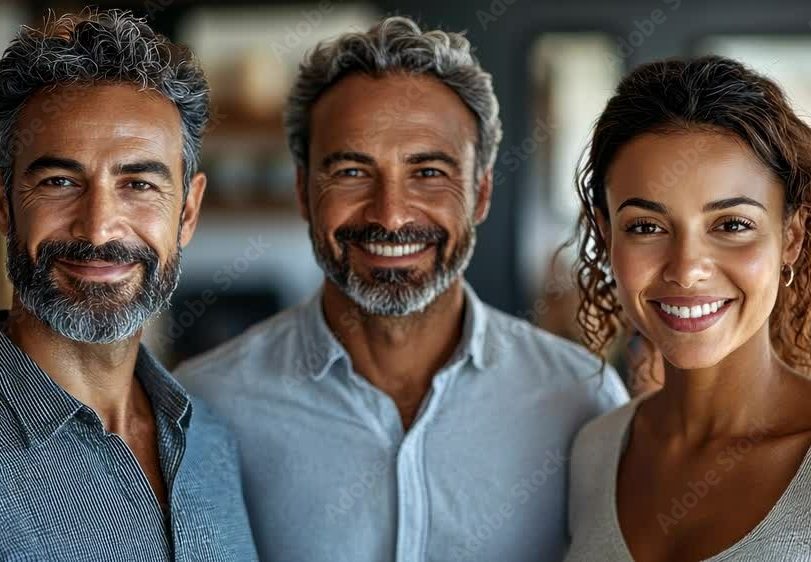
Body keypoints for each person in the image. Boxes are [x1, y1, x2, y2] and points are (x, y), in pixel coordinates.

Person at [176, 16, 628, 562]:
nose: (390, 216)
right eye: (350, 172)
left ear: (480, 194)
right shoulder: (205, 408)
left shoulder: (584, 401)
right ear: (302, 191)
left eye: (429, 173)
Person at [564, 55, 811, 562]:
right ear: (607, 239)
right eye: (646, 227)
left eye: (732, 224)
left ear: (792, 239)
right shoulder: (594, 452)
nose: (687, 268)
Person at [0, 11, 257, 561]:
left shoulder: (214, 441)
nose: (99, 227)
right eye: (60, 182)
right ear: (1, 202)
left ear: (188, 211)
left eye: (139, 183)